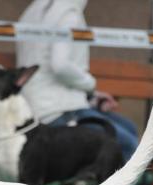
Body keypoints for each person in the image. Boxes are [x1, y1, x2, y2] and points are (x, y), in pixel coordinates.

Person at [16, 0, 139, 162]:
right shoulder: (68, 14)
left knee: (129, 128)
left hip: (36, 107)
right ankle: (82, 184)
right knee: (126, 145)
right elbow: (60, 66)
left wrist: (91, 95)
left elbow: (44, 70)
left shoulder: (33, 9)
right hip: (56, 113)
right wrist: (90, 84)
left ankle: (80, 182)